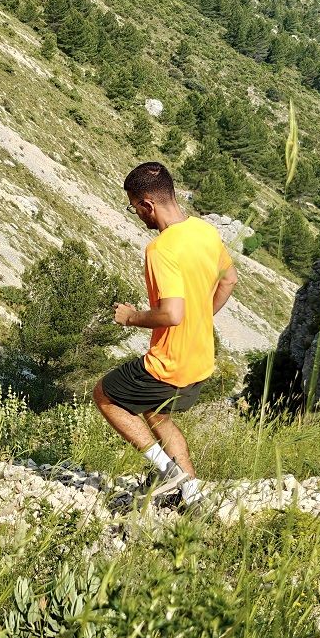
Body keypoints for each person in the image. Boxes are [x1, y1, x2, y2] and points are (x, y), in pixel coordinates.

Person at [92, 161, 238, 508]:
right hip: (200, 360)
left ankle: (169, 472)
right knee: (157, 414)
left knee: (105, 395)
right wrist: (201, 318)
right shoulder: (205, 231)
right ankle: (193, 496)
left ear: (147, 205)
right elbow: (229, 280)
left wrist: (130, 317)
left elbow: (171, 314)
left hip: (169, 364)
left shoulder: (161, 249)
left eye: (134, 208)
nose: (137, 215)